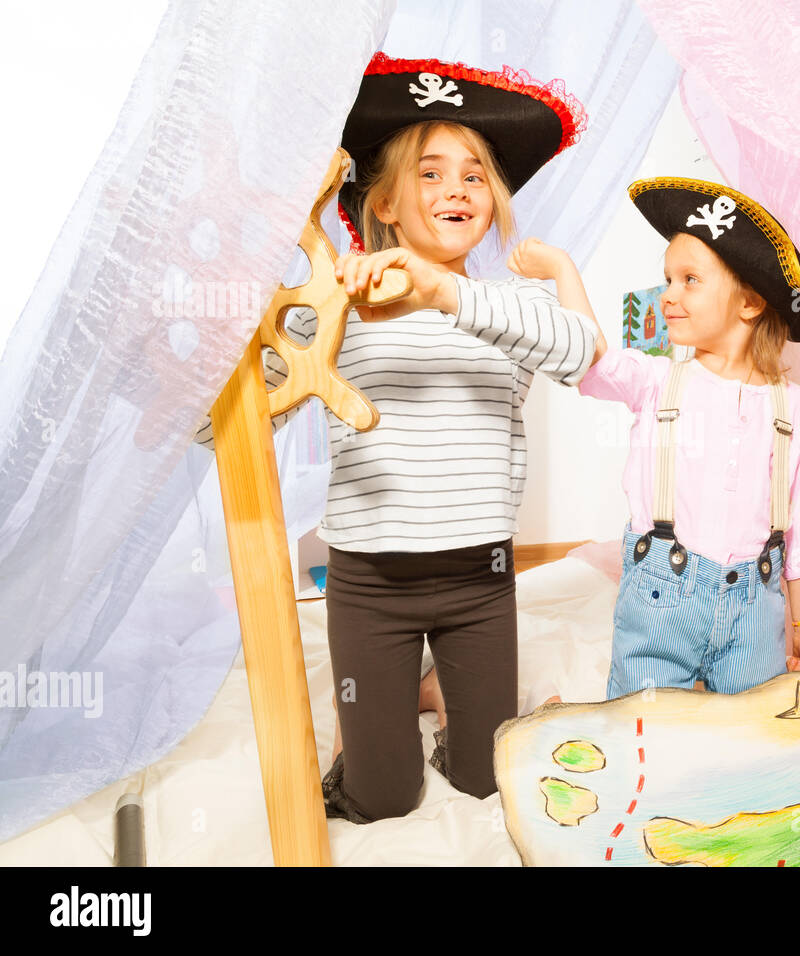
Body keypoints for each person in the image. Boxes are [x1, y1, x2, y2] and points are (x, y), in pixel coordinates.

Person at [195, 53, 596, 822]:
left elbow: (579, 352)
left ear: (496, 201)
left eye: (475, 175)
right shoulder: (336, 302)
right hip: (370, 583)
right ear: (383, 198)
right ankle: (386, 708)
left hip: (478, 580)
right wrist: (205, 374)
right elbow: (244, 418)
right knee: (378, 796)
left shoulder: (505, 305)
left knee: (488, 780)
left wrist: (444, 289)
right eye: (431, 173)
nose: (456, 190)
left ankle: (446, 705)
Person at [576, 177, 800, 701]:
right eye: (668, 278)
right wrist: (562, 271)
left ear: (751, 302)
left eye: (690, 279)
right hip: (658, 605)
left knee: (751, 750)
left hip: (753, 618)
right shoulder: (656, 381)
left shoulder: (793, 408)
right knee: (642, 742)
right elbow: (590, 356)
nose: (668, 295)